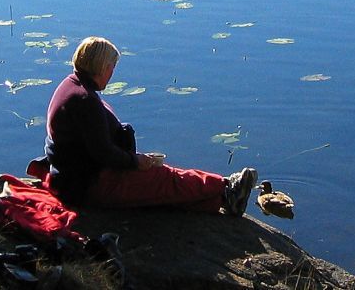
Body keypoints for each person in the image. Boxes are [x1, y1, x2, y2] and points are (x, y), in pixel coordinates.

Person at [42, 36, 257, 215]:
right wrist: (135, 161)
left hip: (74, 178)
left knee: (160, 187)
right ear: (102, 67)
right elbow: (104, 154)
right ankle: (226, 187)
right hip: (91, 185)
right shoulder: (84, 100)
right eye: (112, 67)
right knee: (164, 179)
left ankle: (222, 198)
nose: (113, 72)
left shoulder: (70, 85)